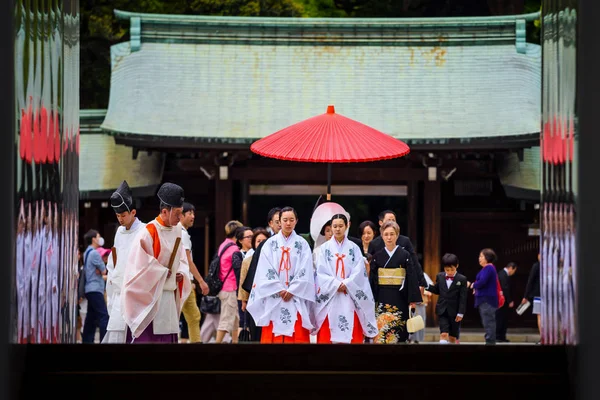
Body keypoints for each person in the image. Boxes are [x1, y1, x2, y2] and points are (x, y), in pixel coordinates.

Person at [121, 182, 192, 343]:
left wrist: (180, 272)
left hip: (168, 297)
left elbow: (182, 259)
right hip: (150, 298)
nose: (180, 218)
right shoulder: (148, 232)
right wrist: (160, 272)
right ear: (165, 211)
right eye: (178, 214)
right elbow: (138, 267)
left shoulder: (178, 232)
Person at [247, 207, 316, 343]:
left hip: (296, 296)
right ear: (279, 221)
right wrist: (279, 289)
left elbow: (306, 270)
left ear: (296, 221)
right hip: (275, 296)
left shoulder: (302, 244)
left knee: (297, 332)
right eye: (285, 220)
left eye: (291, 220)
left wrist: (293, 290)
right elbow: (265, 269)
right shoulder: (269, 244)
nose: (288, 223)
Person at [314, 214, 378, 343]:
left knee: (351, 331)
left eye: (341, 226)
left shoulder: (354, 248)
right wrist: (337, 284)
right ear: (331, 227)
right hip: (331, 295)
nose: (337, 229)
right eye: (335, 226)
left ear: (347, 226)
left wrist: (347, 284)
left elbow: (359, 271)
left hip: (349, 294)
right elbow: (321, 272)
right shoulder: (324, 249)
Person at [102, 181, 146, 344]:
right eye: (118, 216)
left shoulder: (144, 230)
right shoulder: (119, 231)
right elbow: (115, 259)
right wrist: (113, 277)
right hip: (119, 289)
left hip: (136, 289)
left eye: (123, 215)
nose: (120, 219)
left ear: (133, 212)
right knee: (116, 332)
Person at [369, 220, 422, 344]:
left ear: (397, 235)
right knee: (382, 332)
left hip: (400, 296)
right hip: (382, 297)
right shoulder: (377, 256)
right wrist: (371, 299)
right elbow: (373, 279)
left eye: (392, 234)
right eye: (386, 234)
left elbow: (411, 277)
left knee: (399, 331)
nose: (389, 237)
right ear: (382, 236)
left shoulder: (405, 255)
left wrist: (412, 299)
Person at [240, 208, 281, 341]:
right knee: (260, 332)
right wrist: (245, 299)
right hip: (265, 293)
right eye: (278, 221)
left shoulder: (296, 245)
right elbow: (254, 273)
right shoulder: (265, 245)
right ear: (270, 224)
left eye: (284, 220)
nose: (281, 224)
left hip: (286, 294)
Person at [179, 202, 209, 344]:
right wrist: (201, 281)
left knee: (190, 316)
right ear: (181, 215)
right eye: (189, 213)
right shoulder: (182, 233)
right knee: (192, 316)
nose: (193, 216)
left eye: (193, 213)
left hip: (182, 280)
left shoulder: (179, 231)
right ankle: (196, 346)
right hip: (183, 280)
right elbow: (188, 261)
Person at [426, 253, 468, 344]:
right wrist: (427, 286)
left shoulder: (462, 279)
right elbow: (437, 290)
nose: (449, 272)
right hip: (442, 309)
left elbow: (463, 297)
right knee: (444, 334)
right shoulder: (440, 276)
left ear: (457, 266)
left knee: (452, 337)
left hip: (455, 312)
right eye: (447, 270)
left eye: (452, 269)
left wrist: (461, 312)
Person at [81, 229, 109, 343]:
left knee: (91, 318)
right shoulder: (95, 253)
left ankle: (87, 341)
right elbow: (104, 270)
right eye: (98, 236)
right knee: (104, 316)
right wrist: (101, 267)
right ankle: (104, 340)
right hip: (96, 288)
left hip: (89, 288)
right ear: (93, 239)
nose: (100, 238)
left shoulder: (86, 252)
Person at [467, 248, 499, 345]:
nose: (479, 258)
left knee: (488, 322)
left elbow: (482, 282)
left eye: (481, 256)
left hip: (487, 300)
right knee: (487, 322)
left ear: (487, 257)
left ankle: (490, 343)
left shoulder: (489, 268)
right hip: (485, 300)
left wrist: (472, 285)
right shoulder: (487, 268)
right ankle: (490, 342)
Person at [521, 254, 541, 339]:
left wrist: (525, 296)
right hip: (549, 295)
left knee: (540, 316)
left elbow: (530, 280)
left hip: (538, 294)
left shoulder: (536, 266)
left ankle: (542, 337)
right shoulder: (551, 265)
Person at [496, 262, 517, 342]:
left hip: (503, 301)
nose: (513, 273)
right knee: (500, 319)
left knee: (504, 319)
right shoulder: (502, 274)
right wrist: (509, 300)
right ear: (511, 268)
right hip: (501, 301)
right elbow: (505, 288)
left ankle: (502, 336)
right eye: (514, 270)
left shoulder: (503, 274)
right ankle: (498, 336)